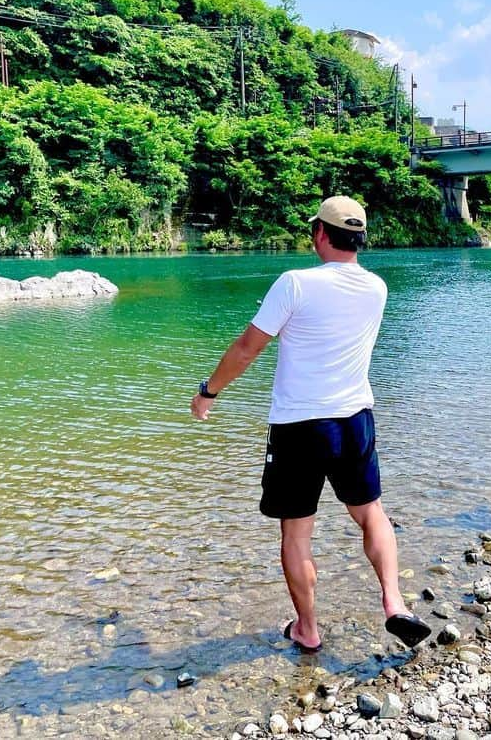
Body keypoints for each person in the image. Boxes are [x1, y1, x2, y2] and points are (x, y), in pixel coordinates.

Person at [190, 195, 431, 652]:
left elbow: (248, 348)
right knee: (370, 513)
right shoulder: (376, 287)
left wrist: (209, 392)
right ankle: (394, 602)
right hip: (355, 420)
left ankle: (307, 628)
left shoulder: (295, 283)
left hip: (300, 425)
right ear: (359, 238)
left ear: (320, 233)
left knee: (296, 531)